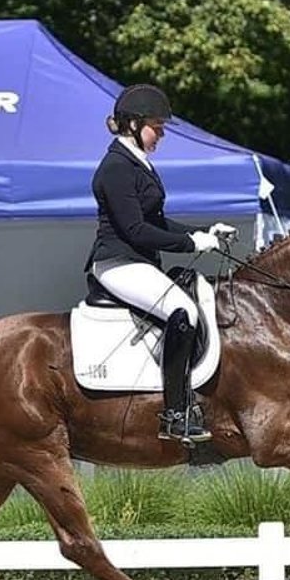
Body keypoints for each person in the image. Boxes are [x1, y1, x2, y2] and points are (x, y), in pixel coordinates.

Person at [83, 83, 236, 445]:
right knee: (182, 311)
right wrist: (190, 243)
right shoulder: (116, 168)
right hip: (117, 262)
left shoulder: (138, 163)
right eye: (157, 126)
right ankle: (175, 413)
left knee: (194, 299)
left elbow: (157, 221)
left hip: (138, 261)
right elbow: (136, 230)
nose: (162, 134)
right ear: (133, 124)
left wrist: (204, 232)